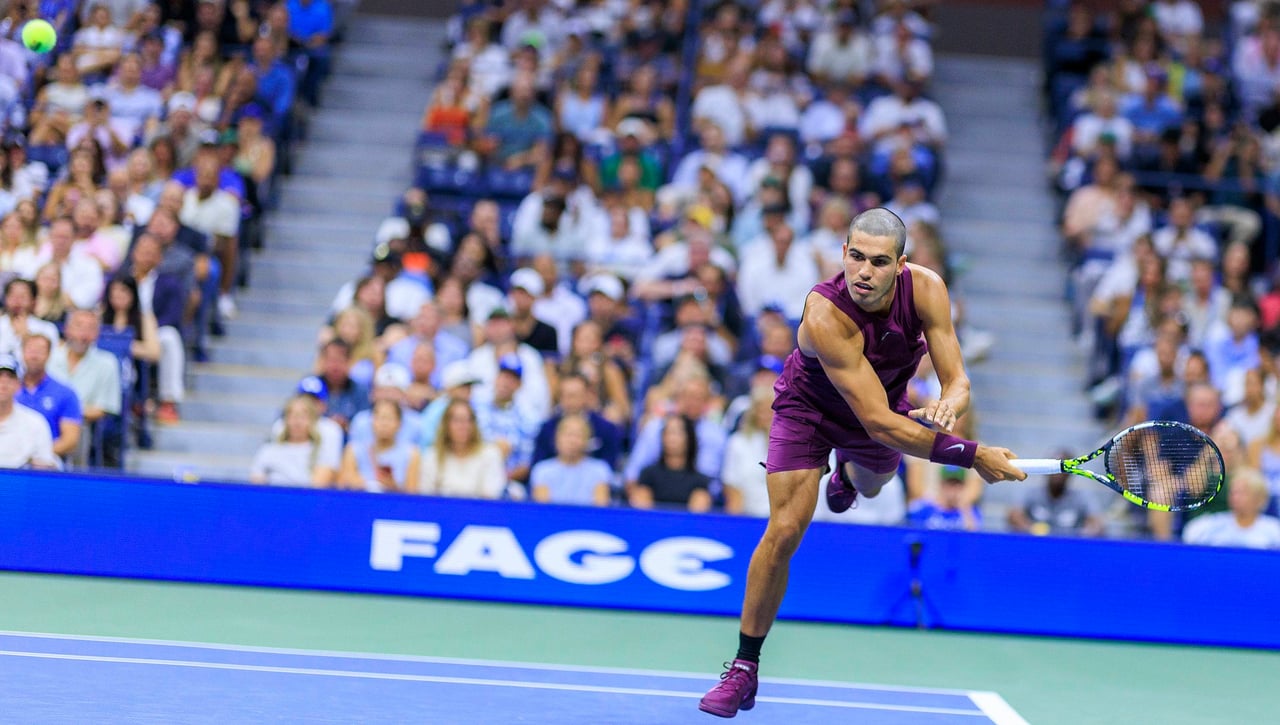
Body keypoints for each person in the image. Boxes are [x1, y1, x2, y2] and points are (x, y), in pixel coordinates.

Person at [699, 208, 1024, 718]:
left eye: (877, 261)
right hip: (810, 413)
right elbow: (879, 424)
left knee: (873, 486)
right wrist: (973, 454)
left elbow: (958, 380)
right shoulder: (826, 313)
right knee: (784, 530)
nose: (863, 272)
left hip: (879, 411)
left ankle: (848, 475)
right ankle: (744, 667)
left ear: (901, 264)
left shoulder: (928, 290)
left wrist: (948, 406)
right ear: (843, 254)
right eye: (854, 257)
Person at [418, 398, 506, 499]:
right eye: (457, 420)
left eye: (469, 420)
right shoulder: (433, 455)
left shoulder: (490, 454)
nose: (463, 426)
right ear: (446, 424)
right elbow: (425, 495)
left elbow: (492, 496)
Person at [16, 334, 82, 463]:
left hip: (48, 459)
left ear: (49, 355)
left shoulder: (66, 393)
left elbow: (70, 440)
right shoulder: (7, 389)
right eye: (30, 350)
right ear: (22, 352)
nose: (34, 356)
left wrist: (39, 454)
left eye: (40, 351)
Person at [249, 395, 340, 487]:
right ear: (285, 420)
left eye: (303, 416)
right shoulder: (268, 450)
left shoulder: (321, 452)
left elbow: (318, 487)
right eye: (292, 416)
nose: (297, 422)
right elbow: (257, 482)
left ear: (312, 421)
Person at [1007, 454, 1105, 537]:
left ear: (1070, 474)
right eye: (1054, 468)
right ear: (1045, 471)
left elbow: (1097, 525)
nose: (1058, 474)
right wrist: (1031, 531)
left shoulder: (1082, 497)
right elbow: (1014, 515)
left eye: (1062, 470)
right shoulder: (1031, 493)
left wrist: (1080, 535)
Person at [1182, 468, 1280, 549]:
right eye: (1233, 492)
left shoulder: (1274, 530)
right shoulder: (1210, 525)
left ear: (1260, 499)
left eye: (1243, 493)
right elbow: (1188, 537)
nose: (1235, 497)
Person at [337, 399, 420, 494]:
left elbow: (412, 494)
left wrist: (392, 487)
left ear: (399, 423)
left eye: (389, 418)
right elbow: (342, 485)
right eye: (380, 418)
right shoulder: (354, 450)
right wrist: (366, 485)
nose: (384, 424)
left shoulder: (411, 453)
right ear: (371, 421)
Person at [528, 414, 614, 506]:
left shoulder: (600, 469)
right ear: (556, 438)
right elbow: (543, 510)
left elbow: (600, 509)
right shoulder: (542, 470)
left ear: (587, 440)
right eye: (568, 434)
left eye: (578, 435)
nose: (572, 441)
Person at [0, 353, 58, 469]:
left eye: (10, 377)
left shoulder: (36, 423)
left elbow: (45, 466)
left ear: (18, 385)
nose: (3, 383)